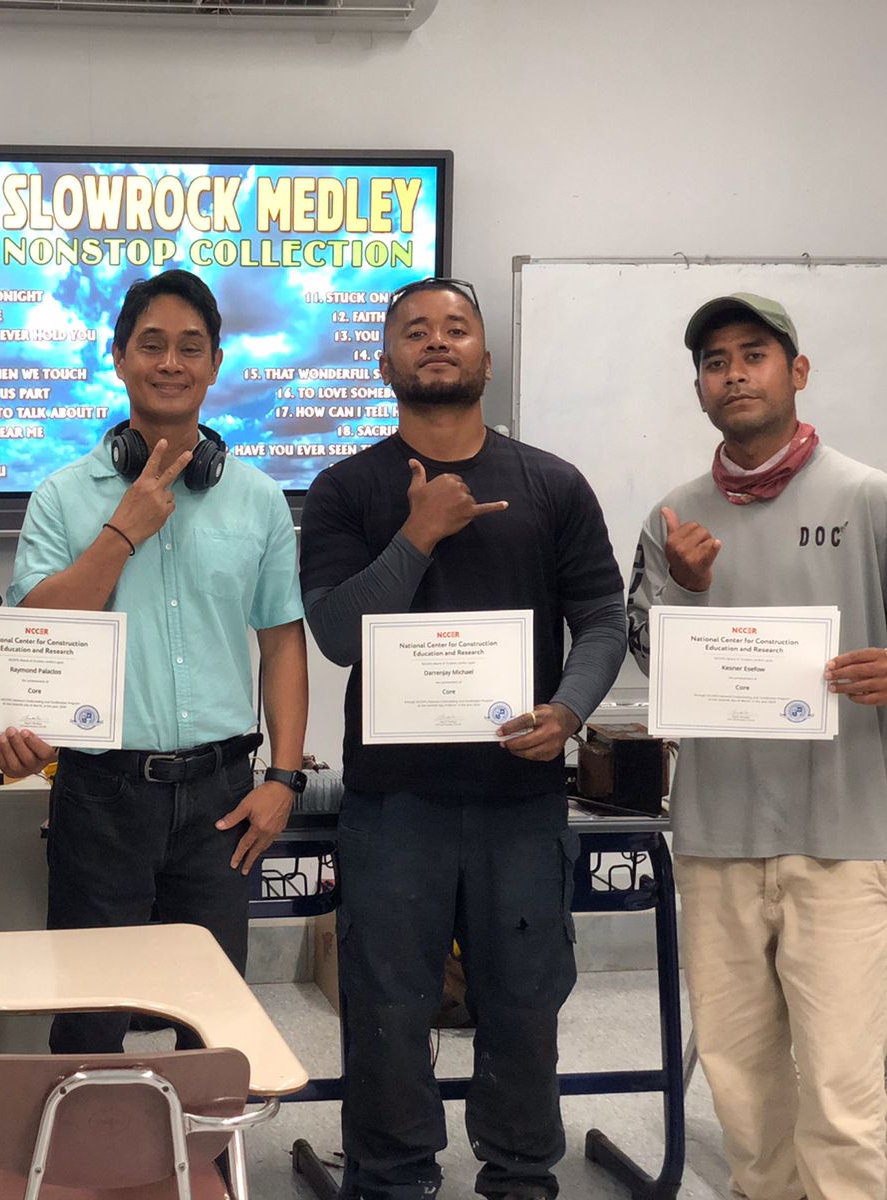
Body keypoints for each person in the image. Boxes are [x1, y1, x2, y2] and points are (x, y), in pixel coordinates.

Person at [298, 277, 626, 1200]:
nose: (436, 342)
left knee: (523, 1008)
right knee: (387, 1010)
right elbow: (334, 634)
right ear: (384, 361)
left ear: (485, 356)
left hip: (520, 805)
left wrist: (566, 712)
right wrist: (417, 535)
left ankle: (521, 1178)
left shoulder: (553, 483)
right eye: (414, 331)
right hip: (392, 809)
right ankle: (393, 1179)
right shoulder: (344, 487)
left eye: (455, 329)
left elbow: (602, 617)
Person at [3, 268, 309, 1055]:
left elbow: (281, 641)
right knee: (90, 1016)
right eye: (152, 344)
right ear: (118, 358)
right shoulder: (66, 497)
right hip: (101, 796)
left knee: (211, 1023)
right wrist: (123, 529)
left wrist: (283, 780)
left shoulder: (258, 500)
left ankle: (197, 1169)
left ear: (213, 365)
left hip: (221, 799)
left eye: (190, 347)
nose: (171, 362)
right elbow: (36, 630)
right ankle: (88, 1169)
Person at [627, 293, 887, 1200]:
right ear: (699, 388)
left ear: (797, 372)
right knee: (742, 1086)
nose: (733, 373)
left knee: (846, 1093)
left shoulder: (869, 496)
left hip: (843, 838)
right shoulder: (674, 516)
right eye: (713, 362)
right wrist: (687, 592)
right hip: (717, 837)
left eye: (753, 355)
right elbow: (650, 661)